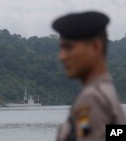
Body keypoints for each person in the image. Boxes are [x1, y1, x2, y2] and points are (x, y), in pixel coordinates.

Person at [52, 11, 126, 141]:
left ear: (95, 47)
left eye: (68, 48)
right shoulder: (106, 93)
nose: (61, 56)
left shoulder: (91, 99)